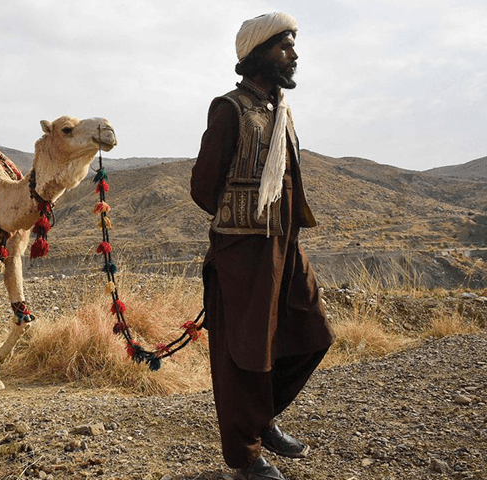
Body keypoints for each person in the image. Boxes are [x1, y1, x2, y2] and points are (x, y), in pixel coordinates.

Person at [190, 12, 336, 480]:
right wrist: (241, 222)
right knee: (244, 353)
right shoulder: (229, 109)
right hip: (242, 251)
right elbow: (203, 187)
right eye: (285, 46)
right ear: (258, 54)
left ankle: (262, 415)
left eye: (293, 46)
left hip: (284, 245)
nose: (294, 55)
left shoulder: (280, 111)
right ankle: (246, 454)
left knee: (310, 333)